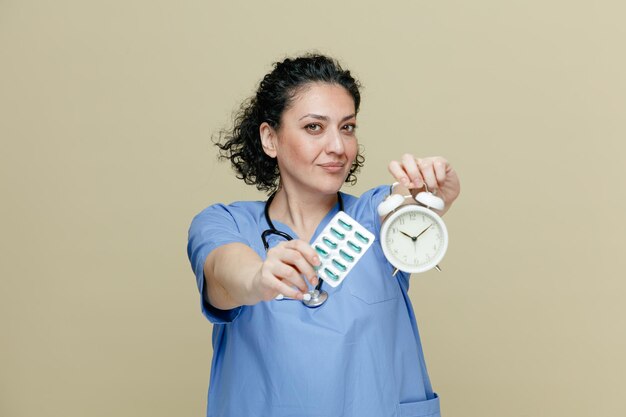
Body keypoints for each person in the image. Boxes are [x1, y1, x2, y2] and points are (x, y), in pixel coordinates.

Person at [187, 54, 460, 417]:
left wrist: (428, 188)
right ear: (270, 138)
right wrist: (257, 278)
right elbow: (224, 274)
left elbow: (401, 206)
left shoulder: (374, 217)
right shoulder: (226, 223)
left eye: (347, 127)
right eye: (315, 127)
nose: (337, 147)